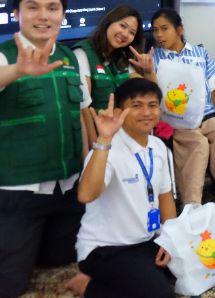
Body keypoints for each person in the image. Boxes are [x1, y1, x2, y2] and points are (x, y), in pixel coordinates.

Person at [0, 0, 91, 298]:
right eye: (32, 7)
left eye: (53, 8)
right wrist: (17, 71)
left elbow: (81, 114)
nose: (43, 15)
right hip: (20, 190)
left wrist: (91, 165)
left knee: (58, 258)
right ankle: (1, 249)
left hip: (66, 185)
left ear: (63, 15)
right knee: (7, 286)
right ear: (16, 14)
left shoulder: (70, 56)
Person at [65, 79, 176, 298]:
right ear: (119, 112)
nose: (146, 112)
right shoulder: (106, 150)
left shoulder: (158, 147)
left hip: (147, 240)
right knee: (162, 296)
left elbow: (165, 198)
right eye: (136, 105)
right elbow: (86, 195)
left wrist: (171, 239)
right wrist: (104, 138)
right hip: (106, 249)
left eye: (152, 105)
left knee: (195, 266)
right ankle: (85, 286)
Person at [150, 8, 215, 218]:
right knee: (199, 144)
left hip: (206, 113)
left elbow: (210, 85)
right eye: (155, 30)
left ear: (179, 30)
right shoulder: (154, 57)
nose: (159, 35)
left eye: (164, 29)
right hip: (178, 119)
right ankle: (192, 203)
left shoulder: (199, 53)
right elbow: (151, 91)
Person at [74, 5, 157, 151]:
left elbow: (150, 95)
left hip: (125, 139)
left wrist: (149, 70)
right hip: (101, 139)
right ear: (108, 22)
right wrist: (96, 150)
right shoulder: (83, 55)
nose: (125, 34)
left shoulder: (121, 58)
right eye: (122, 26)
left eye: (131, 32)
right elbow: (84, 112)